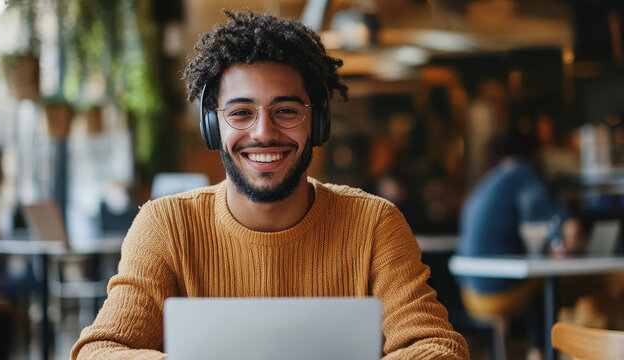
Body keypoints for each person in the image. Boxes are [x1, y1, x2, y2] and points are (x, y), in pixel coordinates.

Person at [72, 11, 468, 360]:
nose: (264, 132)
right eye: (241, 112)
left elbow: (438, 347)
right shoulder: (166, 225)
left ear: (317, 123)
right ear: (213, 126)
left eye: (286, 111)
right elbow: (99, 351)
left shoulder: (374, 223)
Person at [456, 129, 587, 359]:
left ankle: (537, 349)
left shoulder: (488, 178)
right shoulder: (523, 173)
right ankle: (542, 351)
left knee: (542, 283)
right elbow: (560, 224)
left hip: (470, 290)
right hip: (496, 289)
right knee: (556, 286)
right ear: (533, 152)